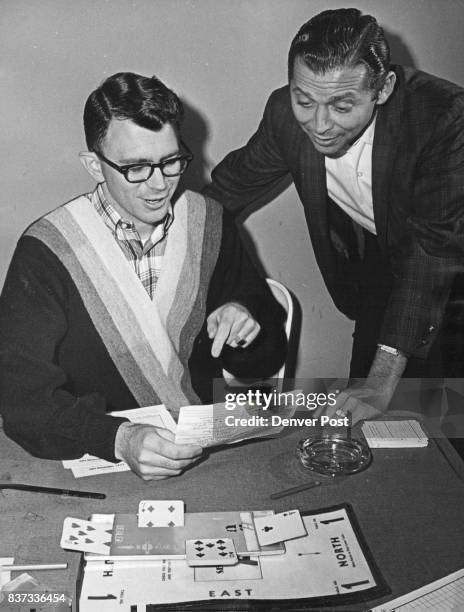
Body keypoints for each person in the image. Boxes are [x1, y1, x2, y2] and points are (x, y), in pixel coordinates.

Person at [0, 72, 286, 480]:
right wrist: (119, 439)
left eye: (171, 162)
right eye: (136, 168)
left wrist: (248, 325)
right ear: (95, 167)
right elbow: (22, 403)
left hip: (205, 454)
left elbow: (265, 359)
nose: (158, 185)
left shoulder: (210, 223)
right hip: (99, 460)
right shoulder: (47, 252)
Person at [205, 8, 464, 427]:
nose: (319, 125)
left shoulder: (444, 117)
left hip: (449, 268)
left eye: (342, 105)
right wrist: (146, 230)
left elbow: (431, 254)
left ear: (383, 89)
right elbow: (224, 192)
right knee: (369, 420)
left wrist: (382, 381)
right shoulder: (286, 116)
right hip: (386, 269)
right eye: (304, 100)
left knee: (449, 426)